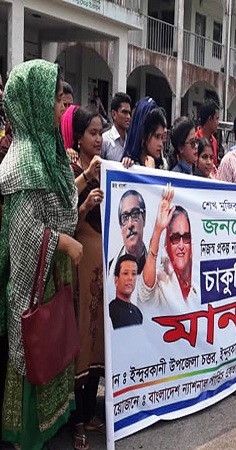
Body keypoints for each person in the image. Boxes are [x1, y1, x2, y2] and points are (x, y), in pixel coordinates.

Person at [0, 59, 83, 450]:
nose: (61, 105)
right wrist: (64, 243)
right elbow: (25, 233)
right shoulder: (23, 162)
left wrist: (85, 179)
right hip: (36, 283)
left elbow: (59, 206)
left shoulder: (48, 151)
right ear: (33, 101)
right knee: (36, 350)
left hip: (53, 277)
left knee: (54, 347)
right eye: (54, 97)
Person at [70, 104, 107, 447]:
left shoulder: (105, 169)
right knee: (83, 332)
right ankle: (78, 418)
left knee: (98, 337)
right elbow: (66, 220)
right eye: (92, 133)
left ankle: (91, 411)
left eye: (100, 133)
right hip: (81, 266)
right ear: (79, 137)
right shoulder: (73, 170)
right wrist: (85, 205)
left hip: (102, 266)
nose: (98, 139)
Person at [139, 186, 198, 311]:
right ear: (167, 245)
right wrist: (158, 230)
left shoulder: (195, 288)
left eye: (186, 238)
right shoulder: (160, 281)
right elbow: (145, 294)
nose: (181, 246)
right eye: (175, 238)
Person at [109, 190, 148, 274]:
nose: (130, 224)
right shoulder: (109, 270)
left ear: (144, 218)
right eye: (125, 218)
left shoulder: (159, 267)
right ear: (120, 226)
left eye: (135, 214)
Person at [122, 97, 168, 169]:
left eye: (162, 137)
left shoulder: (163, 166)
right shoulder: (129, 166)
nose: (161, 144)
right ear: (143, 135)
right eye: (157, 136)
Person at [109, 254, 143, 329]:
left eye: (133, 274)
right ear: (116, 280)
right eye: (125, 273)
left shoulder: (138, 313)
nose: (130, 278)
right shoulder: (110, 311)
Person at [101, 92, 132, 162]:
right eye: (124, 112)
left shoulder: (131, 141)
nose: (128, 117)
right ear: (114, 114)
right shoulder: (105, 140)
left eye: (129, 113)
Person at [195, 100, 219, 166]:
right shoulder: (194, 140)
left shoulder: (214, 141)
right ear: (210, 119)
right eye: (217, 119)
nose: (218, 123)